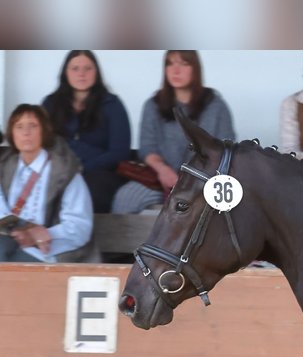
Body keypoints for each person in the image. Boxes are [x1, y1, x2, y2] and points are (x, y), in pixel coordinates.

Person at [111, 50, 235, 215]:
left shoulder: (215, 105)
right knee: (125, 198)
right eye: (170, 64)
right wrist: (162, 170)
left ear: (195, 69)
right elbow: (147, 148)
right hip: (161, 178)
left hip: (205, 179)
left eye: (184, 64)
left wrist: (197, 178)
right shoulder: (153, 105)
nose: (175, 70)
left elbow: (226, 151)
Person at [0, 104, 95, 263]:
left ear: (44, 131)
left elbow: (79, 226)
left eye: (33, 126)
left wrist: (45, 234)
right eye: (19, 127)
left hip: (47, 250)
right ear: (12, 134)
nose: (26, 133)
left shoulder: (65, 171)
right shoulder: (4, 167)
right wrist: (17, 231)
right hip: (9, 241)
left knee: (16, 267)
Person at [40, 50, 131, 214]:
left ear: (96, 72)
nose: (81, 74)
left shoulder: (112, 104)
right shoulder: (50, 103)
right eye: (75, 68)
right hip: (59, 170)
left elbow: (119, 152)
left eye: (87, 68)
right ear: (65, 72)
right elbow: (44, 144)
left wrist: (82, 167)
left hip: (101, 173)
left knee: (91, 192)